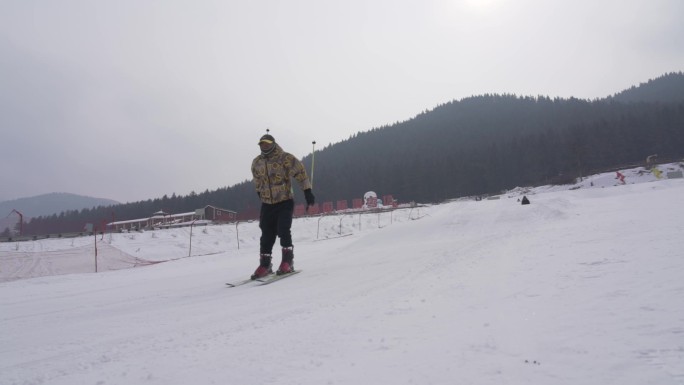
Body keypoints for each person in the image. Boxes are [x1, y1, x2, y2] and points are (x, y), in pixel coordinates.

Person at [250, 133, 315, 279]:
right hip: (267, 203)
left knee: (283, 229)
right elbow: (257, 180)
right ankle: (265, 264)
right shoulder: (256, 162)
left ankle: (287, 261)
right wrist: (259, 193)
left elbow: (300, 173)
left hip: (284, 200)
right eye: (261, 144)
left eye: (267, 143)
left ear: (273, 143)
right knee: (266, 233)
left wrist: (307, 192)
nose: (264, 146)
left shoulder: (284, 157)